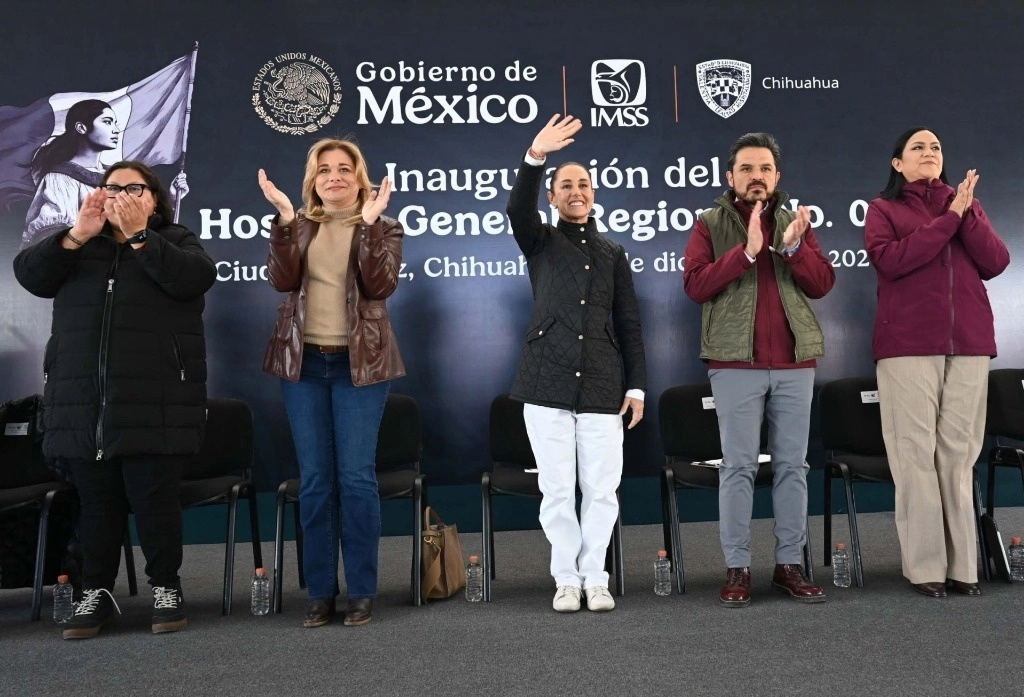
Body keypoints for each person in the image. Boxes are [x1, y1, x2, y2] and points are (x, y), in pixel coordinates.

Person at [13, 161, 215, 639]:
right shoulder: (78, 245)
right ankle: (96, 593)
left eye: (132, 188)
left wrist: (142, 237)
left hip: (155, 399)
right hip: (85, 402)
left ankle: (166, 588)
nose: (119, 194)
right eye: (110, 187)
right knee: (96, 503)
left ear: (153, 199)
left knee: (154, 500)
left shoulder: (176, 239)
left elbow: (193, 279)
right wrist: (77, 235)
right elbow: (31, 275)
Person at [683, 132, 835, 608]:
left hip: (794, 363)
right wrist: (746, 253)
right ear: (731, 177)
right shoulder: (709, 222)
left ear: (776, 176)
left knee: (793, 466)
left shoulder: (795, 221)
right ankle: (738, 567)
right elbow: (695, 286)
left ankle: (789, 565)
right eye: (747, 169)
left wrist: (793, 248)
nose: (756, 177)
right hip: (734, 363)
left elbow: (822, 284)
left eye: (764, 169)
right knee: (739, 468)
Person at [259, 137, 404, 628]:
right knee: (317, 481)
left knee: (357, 479)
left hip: (359, 367)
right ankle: (320, 592)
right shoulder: (297, 227)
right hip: (303, 366)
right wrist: (282, 219)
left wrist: (365, 228)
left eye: (345, 168)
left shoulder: (383, 226)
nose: (335, 177)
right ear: (313, 180)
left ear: (359, 177)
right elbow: (282, 281)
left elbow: (378, 286)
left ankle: (362, 589)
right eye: (325, 170)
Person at [507, 115, 646, 613]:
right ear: (553, 197)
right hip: (545, 382)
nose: (576, 191)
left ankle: (596, 577)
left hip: (604, 387)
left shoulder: (612, 252)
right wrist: (534, 158)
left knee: (602, 490)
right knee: (558, 490)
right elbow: (516, 209)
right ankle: (566, 579)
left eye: (583, 183)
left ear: (594, 193)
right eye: (565, 185)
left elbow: (629, 324)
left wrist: (638, 388)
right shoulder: (540, 241)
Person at [865, 127, 1009, 598]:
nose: (929, 153)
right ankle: (925, 566)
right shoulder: (884, 209)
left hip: (968, 343)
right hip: (907, 345)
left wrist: (964, 214)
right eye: (917, 147)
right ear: (897, 163)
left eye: (936, 147)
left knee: (958, 455)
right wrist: (949, 219)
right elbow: (893, 261)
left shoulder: (963, 202)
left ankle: (963, 567)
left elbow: (996, 260)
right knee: (915, 455)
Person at [22, 99, 187, 248]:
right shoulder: (60, 179)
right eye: (107, 122)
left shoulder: (117, 177)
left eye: (115, 123)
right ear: (81, 127)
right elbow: (50, 238)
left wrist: (171, 200)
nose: (116, 130)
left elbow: (140, 231)